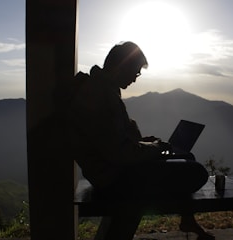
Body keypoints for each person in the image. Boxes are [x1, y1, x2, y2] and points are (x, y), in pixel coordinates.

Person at [68, 41, 215, 240]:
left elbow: (112, 140)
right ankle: (187, 219)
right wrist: (154, 148)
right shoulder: (100, 94)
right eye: (136, 72)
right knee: (195, 171)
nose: (136, 80)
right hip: (114, 177)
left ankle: (188, 219)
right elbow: (119, 153)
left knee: (184, 157)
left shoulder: (101, 88)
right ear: (122, 67)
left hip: (111, 170)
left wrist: (146, 144)